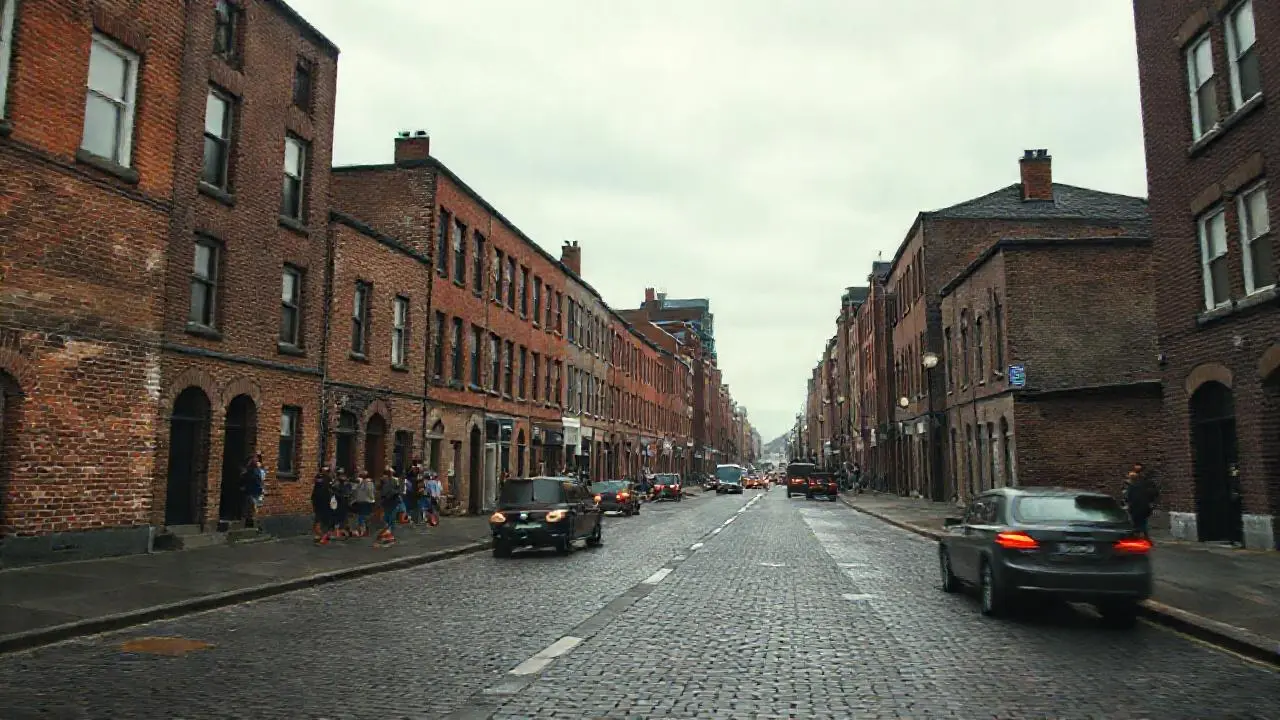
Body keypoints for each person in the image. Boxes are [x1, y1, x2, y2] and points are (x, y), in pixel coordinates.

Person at [376, 466, 403, 546]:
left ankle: (390, 533)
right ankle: (387, 533)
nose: (390, 474)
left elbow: (398, 490)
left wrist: (392, 493)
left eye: (390, 473)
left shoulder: (395, 480)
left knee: (391, 518)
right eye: (388, 473)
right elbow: (380, 489)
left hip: (392, 501)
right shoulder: (384, 480)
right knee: (387, 518)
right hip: (387, 501)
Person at [242, 454, 266, 528]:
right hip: (254, 490)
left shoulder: (258, 471)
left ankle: (255, 523)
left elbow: (260, 480)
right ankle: (253, 522)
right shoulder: (252, 470)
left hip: (255, 490)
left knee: (253, 506)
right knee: (252, 506)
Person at [352, 471, 376, 537]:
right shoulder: (361, 482)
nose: (361, 476)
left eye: (362, 475)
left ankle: (365, 531)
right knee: (362, 516)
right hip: (361, 501)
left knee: (363, 517)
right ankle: (363, 531)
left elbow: (370, 492)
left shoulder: (368, 483)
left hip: (365, 502)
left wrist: (372, 500)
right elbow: (355, 490)